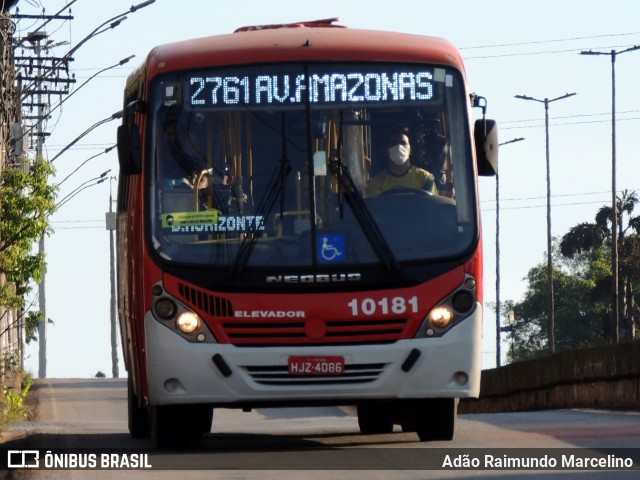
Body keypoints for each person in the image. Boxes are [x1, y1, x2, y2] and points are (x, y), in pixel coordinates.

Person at [366, 129, 437, 197]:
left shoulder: (425, 179)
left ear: (410, 151)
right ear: (387, 151)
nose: (399, 147)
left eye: (403, 143)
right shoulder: (376, 183)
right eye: (394, 143)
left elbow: (432, 207)